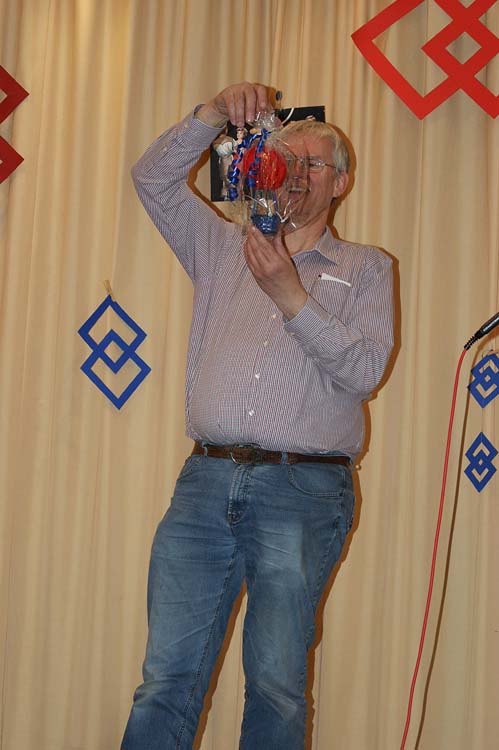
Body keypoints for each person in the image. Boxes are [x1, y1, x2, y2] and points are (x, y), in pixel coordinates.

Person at [121, 82, 394, 750]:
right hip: (204, 483)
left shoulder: (366, 268)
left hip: (303, 488)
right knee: (165, 680)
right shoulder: (223, 247)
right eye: (284, 160)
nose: (295, 174)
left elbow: (364, 372)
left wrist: (290, 294)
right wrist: (212, 112)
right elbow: (151, 178)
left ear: (341, 183)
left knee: (275, 687)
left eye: (312, 164)